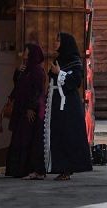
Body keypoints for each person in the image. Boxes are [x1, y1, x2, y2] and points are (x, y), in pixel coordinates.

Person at [44, 32, 92, 180]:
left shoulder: (74, 61)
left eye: (58, 40)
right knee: (58, 134)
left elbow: (76, 80)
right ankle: (59, 167)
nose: (55, 42)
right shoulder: (59, 59)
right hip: (56, 103)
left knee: (68, 135)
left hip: (68, 105)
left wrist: (60, 73)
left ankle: (68, 168)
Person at [5, 43, 46, 179]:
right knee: (19, 138)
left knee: (27, 139)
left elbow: (38, 91)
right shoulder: (26, 69)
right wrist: (18, 72)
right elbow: (18, 86)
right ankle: (17, 170)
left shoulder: (37, 71)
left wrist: (31, 107)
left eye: (26, 51)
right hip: (21, 109)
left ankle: (28, 169)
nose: (23, 53)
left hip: (30, 110)